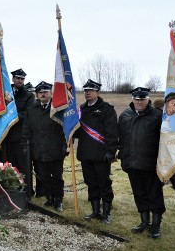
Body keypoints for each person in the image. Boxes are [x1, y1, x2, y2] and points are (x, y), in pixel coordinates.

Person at [117, 87, 165, 238]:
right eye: (136, 100)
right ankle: (144, 222)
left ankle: (156, 226)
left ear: (148, 100)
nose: (139, 102)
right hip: (132, 164)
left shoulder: (158, 116)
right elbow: (122, 140)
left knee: (154, 195)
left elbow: (165, 140)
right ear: (133, 100)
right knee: (139, 194)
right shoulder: (125, 116)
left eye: (142, 100)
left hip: (152, 165)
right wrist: (124, 157)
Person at [76, 79, 118, 224]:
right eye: (86, 91)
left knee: (104, 184)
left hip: (101, 155)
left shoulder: (107, 109)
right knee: (91, 183)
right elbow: (78, 132)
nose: (87, 93)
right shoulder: (81, 109)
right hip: (86, 153)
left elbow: (112, 133)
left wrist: (110, 152)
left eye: (91, 90)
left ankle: (106, 213)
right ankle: (95, 211)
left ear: (97, 92)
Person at [22, 81, 67, 211]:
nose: (43, 94)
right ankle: (49, 198)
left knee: (57, 177)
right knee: (43, 176)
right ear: (36, 95)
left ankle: (58, 200)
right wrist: (25, 145)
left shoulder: (58, 108)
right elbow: (27, 129)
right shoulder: (31, 110)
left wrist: (65, 146)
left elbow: (65, 129)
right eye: (40, 92)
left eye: (45, 92)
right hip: (39, 149)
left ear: (51, 93)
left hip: (56, 149)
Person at [153, 97, 175, 206]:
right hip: (163, 155)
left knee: (161, 182)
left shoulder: (164, 119)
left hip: (160, 156)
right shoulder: (161, 119)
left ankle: (155, 203)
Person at [3, 69, 35, 179]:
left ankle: (27, 191)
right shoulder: (6, 92)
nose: (20, 81)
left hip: (21, 136)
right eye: (18, 78)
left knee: (23, 166)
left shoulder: (28, 96)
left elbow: (29, 113)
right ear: (13, 79)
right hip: (6, 135)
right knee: (9, 166)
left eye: (22, 79)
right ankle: (12, 190)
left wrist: (12, 116)